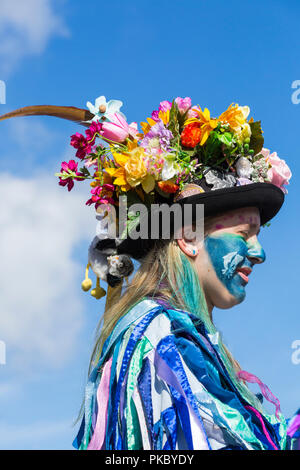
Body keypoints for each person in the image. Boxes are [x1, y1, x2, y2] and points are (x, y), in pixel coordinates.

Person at [0, 96, 294, 450]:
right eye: (244, 233)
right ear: (188, 236)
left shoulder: (181, 336)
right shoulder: (158, 341)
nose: (259, 252)